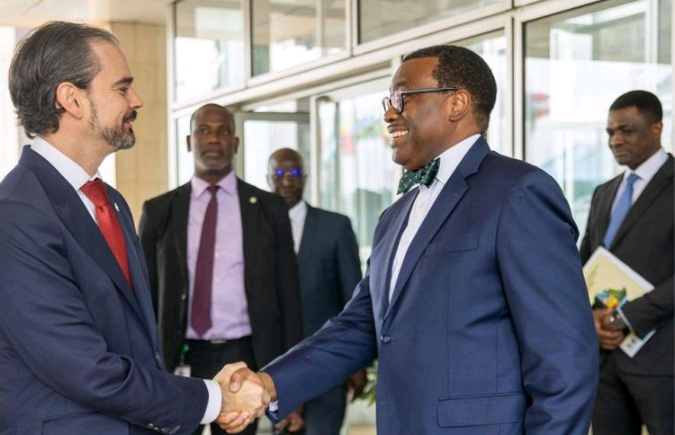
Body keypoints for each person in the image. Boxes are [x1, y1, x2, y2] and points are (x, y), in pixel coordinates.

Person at [224, 44, 600, 435]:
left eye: (403, 97)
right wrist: (269, 383)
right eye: (389, 101)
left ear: (457, 104)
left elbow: (565, 355)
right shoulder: (394, 216)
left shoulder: (518, 192)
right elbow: (359, 326)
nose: (389, 113)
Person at [0, 21, 266, 435]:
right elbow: (85, 370)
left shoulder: (110, 201)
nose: (137, 100)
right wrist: (213, 399)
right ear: (72, 99)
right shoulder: (15, 215)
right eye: (122, 88)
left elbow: (134, 345)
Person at [139, 104, 303, 435]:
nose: (213, 139)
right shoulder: (159, 211)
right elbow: (143, 295)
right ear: (189, 141)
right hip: (179, 356)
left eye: (223, 131)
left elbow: (289, 297)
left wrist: (292, 384)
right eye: (204, 131)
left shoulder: (269, 208)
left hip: (244, 356)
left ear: (236, 143)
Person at [580, 90, 673, 435]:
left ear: (656, 128)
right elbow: (585, 262)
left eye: (626, 130)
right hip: (606, 360)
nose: (615, 140)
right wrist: (590, 317)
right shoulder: (604, 192)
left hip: (664, 359)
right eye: (610, 132)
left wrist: (625, 318)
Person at [267, 148, 367, 434]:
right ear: (268, 179)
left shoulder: (335, 227)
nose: (288, 180)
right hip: (276, 370)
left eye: (295, 173)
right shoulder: (256, 230)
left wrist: (357, 363)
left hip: (328, 365)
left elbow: (354, 297)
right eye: (280, 173)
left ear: (306, 178)